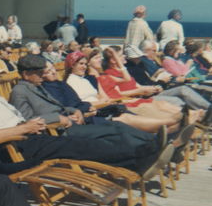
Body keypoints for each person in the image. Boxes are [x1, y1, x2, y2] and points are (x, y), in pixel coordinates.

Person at [0, 61, 173, 178]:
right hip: (17, 148)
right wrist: (24, 128)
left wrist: (31, 126)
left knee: (84, 143)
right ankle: (141, 156)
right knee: (79, 147)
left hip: (35, 137)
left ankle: (141, 157)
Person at [9, 55, 165, 155]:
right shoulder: (20, 91)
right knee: (112, 130)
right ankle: (151, 149)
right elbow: (27, 120)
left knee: (116, 126)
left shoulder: (37, 85)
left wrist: (74, 110)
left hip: (69, 123)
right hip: (56, 132)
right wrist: (58, 118)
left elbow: (58, 105)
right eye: (38, 72)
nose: (43, 75)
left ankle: (154, 144)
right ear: (26, 74)